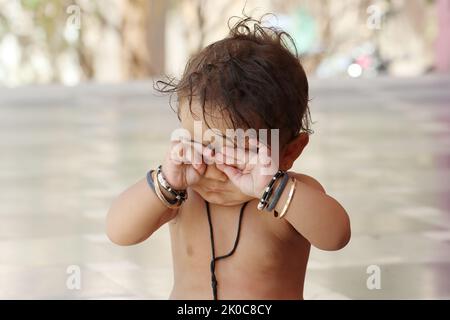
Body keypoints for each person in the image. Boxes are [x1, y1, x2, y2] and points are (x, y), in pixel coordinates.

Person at [106, 16, 351, 300]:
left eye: (238, 154)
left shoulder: (289, 200)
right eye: (199, 145)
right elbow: (119, 232)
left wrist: (274, 189)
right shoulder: (183, 196)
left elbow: (336, 236)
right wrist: (166, 182)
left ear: (289, 152)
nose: (216, 167)